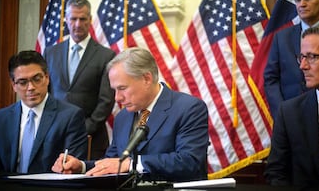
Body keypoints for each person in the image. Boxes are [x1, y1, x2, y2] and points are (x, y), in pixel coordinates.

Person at [52, 47, 209, 182]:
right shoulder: (123, 117)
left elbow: (190, 162)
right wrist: (82, 166)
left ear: (146, 79)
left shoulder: (189, 108)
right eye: (114, 90)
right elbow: (113, 162)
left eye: (122, 88)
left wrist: (133, 164)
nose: (117, 98)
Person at [264, 22, 319, 190]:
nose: (302, 66)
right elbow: (276, 172)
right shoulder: (288, 112)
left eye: (312, 57)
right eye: (301, 57)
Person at [0, 50, 88, 173]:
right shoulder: (0, 119)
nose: (31, 87)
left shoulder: (70, 116)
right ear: (13, 85)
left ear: (47, 78)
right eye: (23, 82)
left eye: (37, 79)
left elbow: (72, 168)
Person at [43, 0, 116, 159]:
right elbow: (46, 92)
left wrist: (85, 127)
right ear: (66, 20)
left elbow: (106, 100)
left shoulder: (106, 55)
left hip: (91, 137)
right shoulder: (50, 53)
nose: (77, 24)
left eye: (82, 19)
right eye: (73, 18)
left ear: (90, 20)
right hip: (54, 135)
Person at [264, 0, 319, 120]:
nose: (302, 4)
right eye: (298, 0)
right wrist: (282, 113)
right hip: (290, 118)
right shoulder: (281, 37)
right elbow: (271, 78)